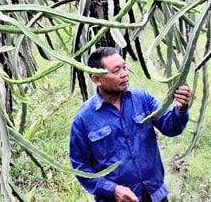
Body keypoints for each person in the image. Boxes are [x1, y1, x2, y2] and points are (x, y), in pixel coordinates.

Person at [69, 47, 192, 202]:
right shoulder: (83, 119)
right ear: (96, 79)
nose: (124, 74)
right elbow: (80, 167)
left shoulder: (142, 98)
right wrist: (112, 190)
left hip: (155, 194)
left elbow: (171, 127)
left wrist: (181, 108)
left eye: (124, 67)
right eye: (116, 71)